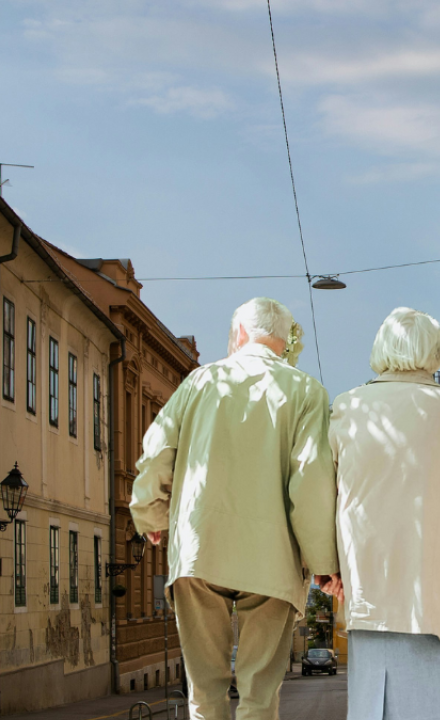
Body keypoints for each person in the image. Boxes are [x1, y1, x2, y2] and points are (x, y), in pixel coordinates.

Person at [130, 297, 342, 720]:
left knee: (204, 692)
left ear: (241, 332)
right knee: (259, 696)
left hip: (200, 547)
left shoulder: (199, 382)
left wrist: (151, 514)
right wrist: (323, 562)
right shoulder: (305, 391)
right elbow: (310, 481)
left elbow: (157, 452)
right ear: (283, 341)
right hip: (271, 559)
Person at [328, 307, 440, 720]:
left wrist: (329, 568)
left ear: (381, 349)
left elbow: (326, 498)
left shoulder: (347, 408)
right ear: (433, 353)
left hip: (368, 594)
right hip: (439, 598)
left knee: (371, 705)